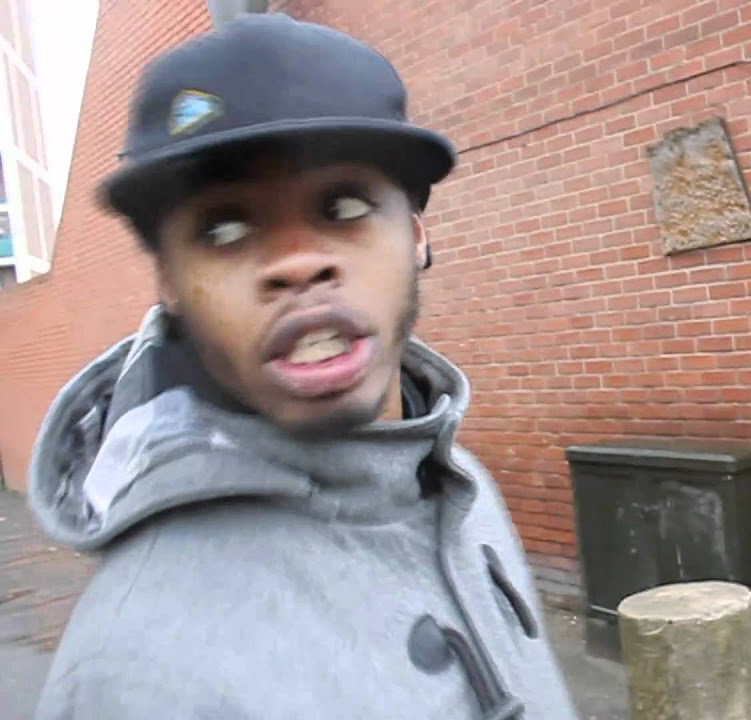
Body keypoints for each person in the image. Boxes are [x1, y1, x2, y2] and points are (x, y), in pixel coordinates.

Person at [27, 13, 577, 719]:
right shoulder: (133, 670)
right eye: (225, 228)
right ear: (169, 285)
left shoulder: (464, 487)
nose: (297, 261)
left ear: (415, 236)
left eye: (344, 206)